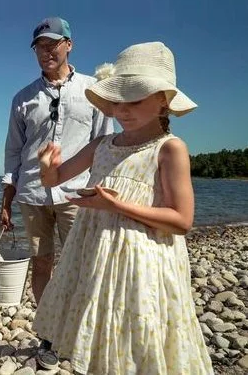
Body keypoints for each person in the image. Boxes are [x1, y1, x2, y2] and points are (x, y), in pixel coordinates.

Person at [32, 42, 213, 374]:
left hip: (143, 260)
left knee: (139, 337)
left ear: (163, 101)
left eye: (135, 100)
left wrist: (115, 204)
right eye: (117, 102)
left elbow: (182, 220)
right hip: (94, 255)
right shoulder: (102, 145)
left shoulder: (170, 149)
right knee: (100, 331)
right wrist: (47, 165)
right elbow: (54, 179)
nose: (123, 110)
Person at [0, 16, 113, 304]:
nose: (46, 52)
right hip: (32, 194)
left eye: (53, 44)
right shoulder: (22, 98)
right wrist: (5, 203)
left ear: (69, 45)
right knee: (41, 263)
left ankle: (77, 325)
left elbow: (104, 144)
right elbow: (13, 152)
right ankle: (46, 326)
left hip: (77, 194)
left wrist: (102, 194)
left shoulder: (94, 91)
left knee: (83, 263)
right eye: (40, 47)